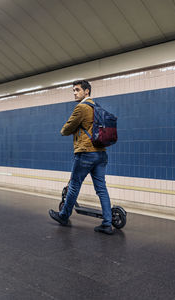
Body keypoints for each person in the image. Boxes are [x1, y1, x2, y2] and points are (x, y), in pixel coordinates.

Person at [49, 80, 113, 235]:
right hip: (101, 153)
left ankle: (64, 216)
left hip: (85, 153)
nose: (75, 93)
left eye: (77, 90)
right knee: (101, 188)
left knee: (74, 186)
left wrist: (73, 128)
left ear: (87, 92)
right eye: (73, 90)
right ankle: (107, 223)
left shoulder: (81, 108)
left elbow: (65, 129)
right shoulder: (98, 108)